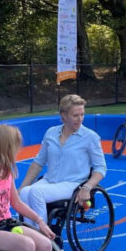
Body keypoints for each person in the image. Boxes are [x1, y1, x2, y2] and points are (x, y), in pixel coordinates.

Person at [19, 94, 107, 229]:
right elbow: (38, 162)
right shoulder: (51, 133)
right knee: (25, 192)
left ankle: (44, 238)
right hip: (49, 181)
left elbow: (100, 168)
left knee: (36, 192)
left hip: (72, 184)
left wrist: (87, 187)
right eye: (75, 115)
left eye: (82, 114)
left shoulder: (90, 137)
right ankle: (31, 237)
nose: (80, 119)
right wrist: (22, 187)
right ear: (63, 115)